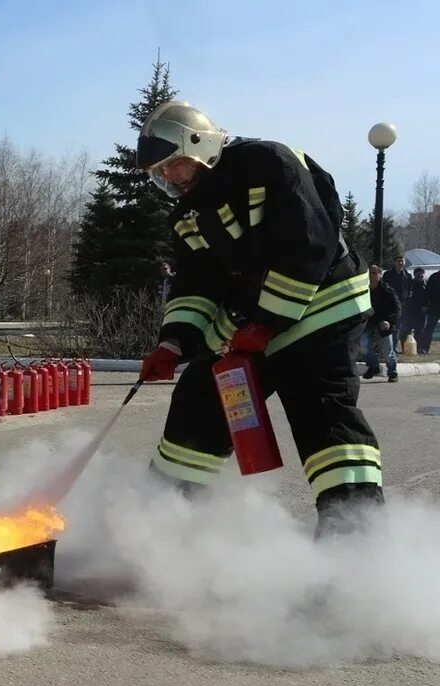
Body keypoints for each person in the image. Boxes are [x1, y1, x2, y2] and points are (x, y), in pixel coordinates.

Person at [135, 100, 384, 530]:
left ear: (201, 144)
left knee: (321, 416)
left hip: (320, 306)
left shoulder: (268, 163)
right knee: (198, 401)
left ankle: (356, 544)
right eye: (161, 172)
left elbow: (309, 244)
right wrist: (173, 342)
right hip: (253, 323)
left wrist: (267, 322)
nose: (170, 176)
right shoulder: (186, 216)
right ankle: (160, 528)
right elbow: (196, 284)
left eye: (174, 163)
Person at [362, 265, 400, 382]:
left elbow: (397, 308)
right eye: (369, 273)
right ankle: (374, 367)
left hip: (384, 324)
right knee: (362, 346)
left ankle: (392, 372)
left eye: (374, 273)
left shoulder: (387, 291)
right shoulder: (363, 290)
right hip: (368, 323)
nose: (371, 276)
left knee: (387, 352)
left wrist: (388, 321)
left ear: (380, 275)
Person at [383, 256, 411, 352]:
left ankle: (403, 348)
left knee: (403, 327)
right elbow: (384, 288)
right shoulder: (388, 274)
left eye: (402, 261)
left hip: (403, 305)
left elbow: (409, 289)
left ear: (405, 263)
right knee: (393, 327)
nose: (400, 263)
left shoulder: (407, 275)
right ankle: (391, 348)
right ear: (394, 262)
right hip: (391, 305)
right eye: (398, 261)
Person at [402, 266, 429, 352]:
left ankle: (418, 349)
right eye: (419, 273)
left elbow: (429, 297)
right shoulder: (410, 283)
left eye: (422, 274)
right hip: (409, 311)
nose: (420, 275)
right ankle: (405, 348)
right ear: (415, 274)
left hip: (422, 312)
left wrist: (427, 306)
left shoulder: (426, 284)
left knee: (420, 332)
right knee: (406, 331)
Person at [422, 269, 440, 355]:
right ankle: (425, 348)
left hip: (434, 307)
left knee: (429, 329)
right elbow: (428, 292)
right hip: (434, 308)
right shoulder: (434, 277)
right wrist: (426, 304)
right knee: (429, 329)